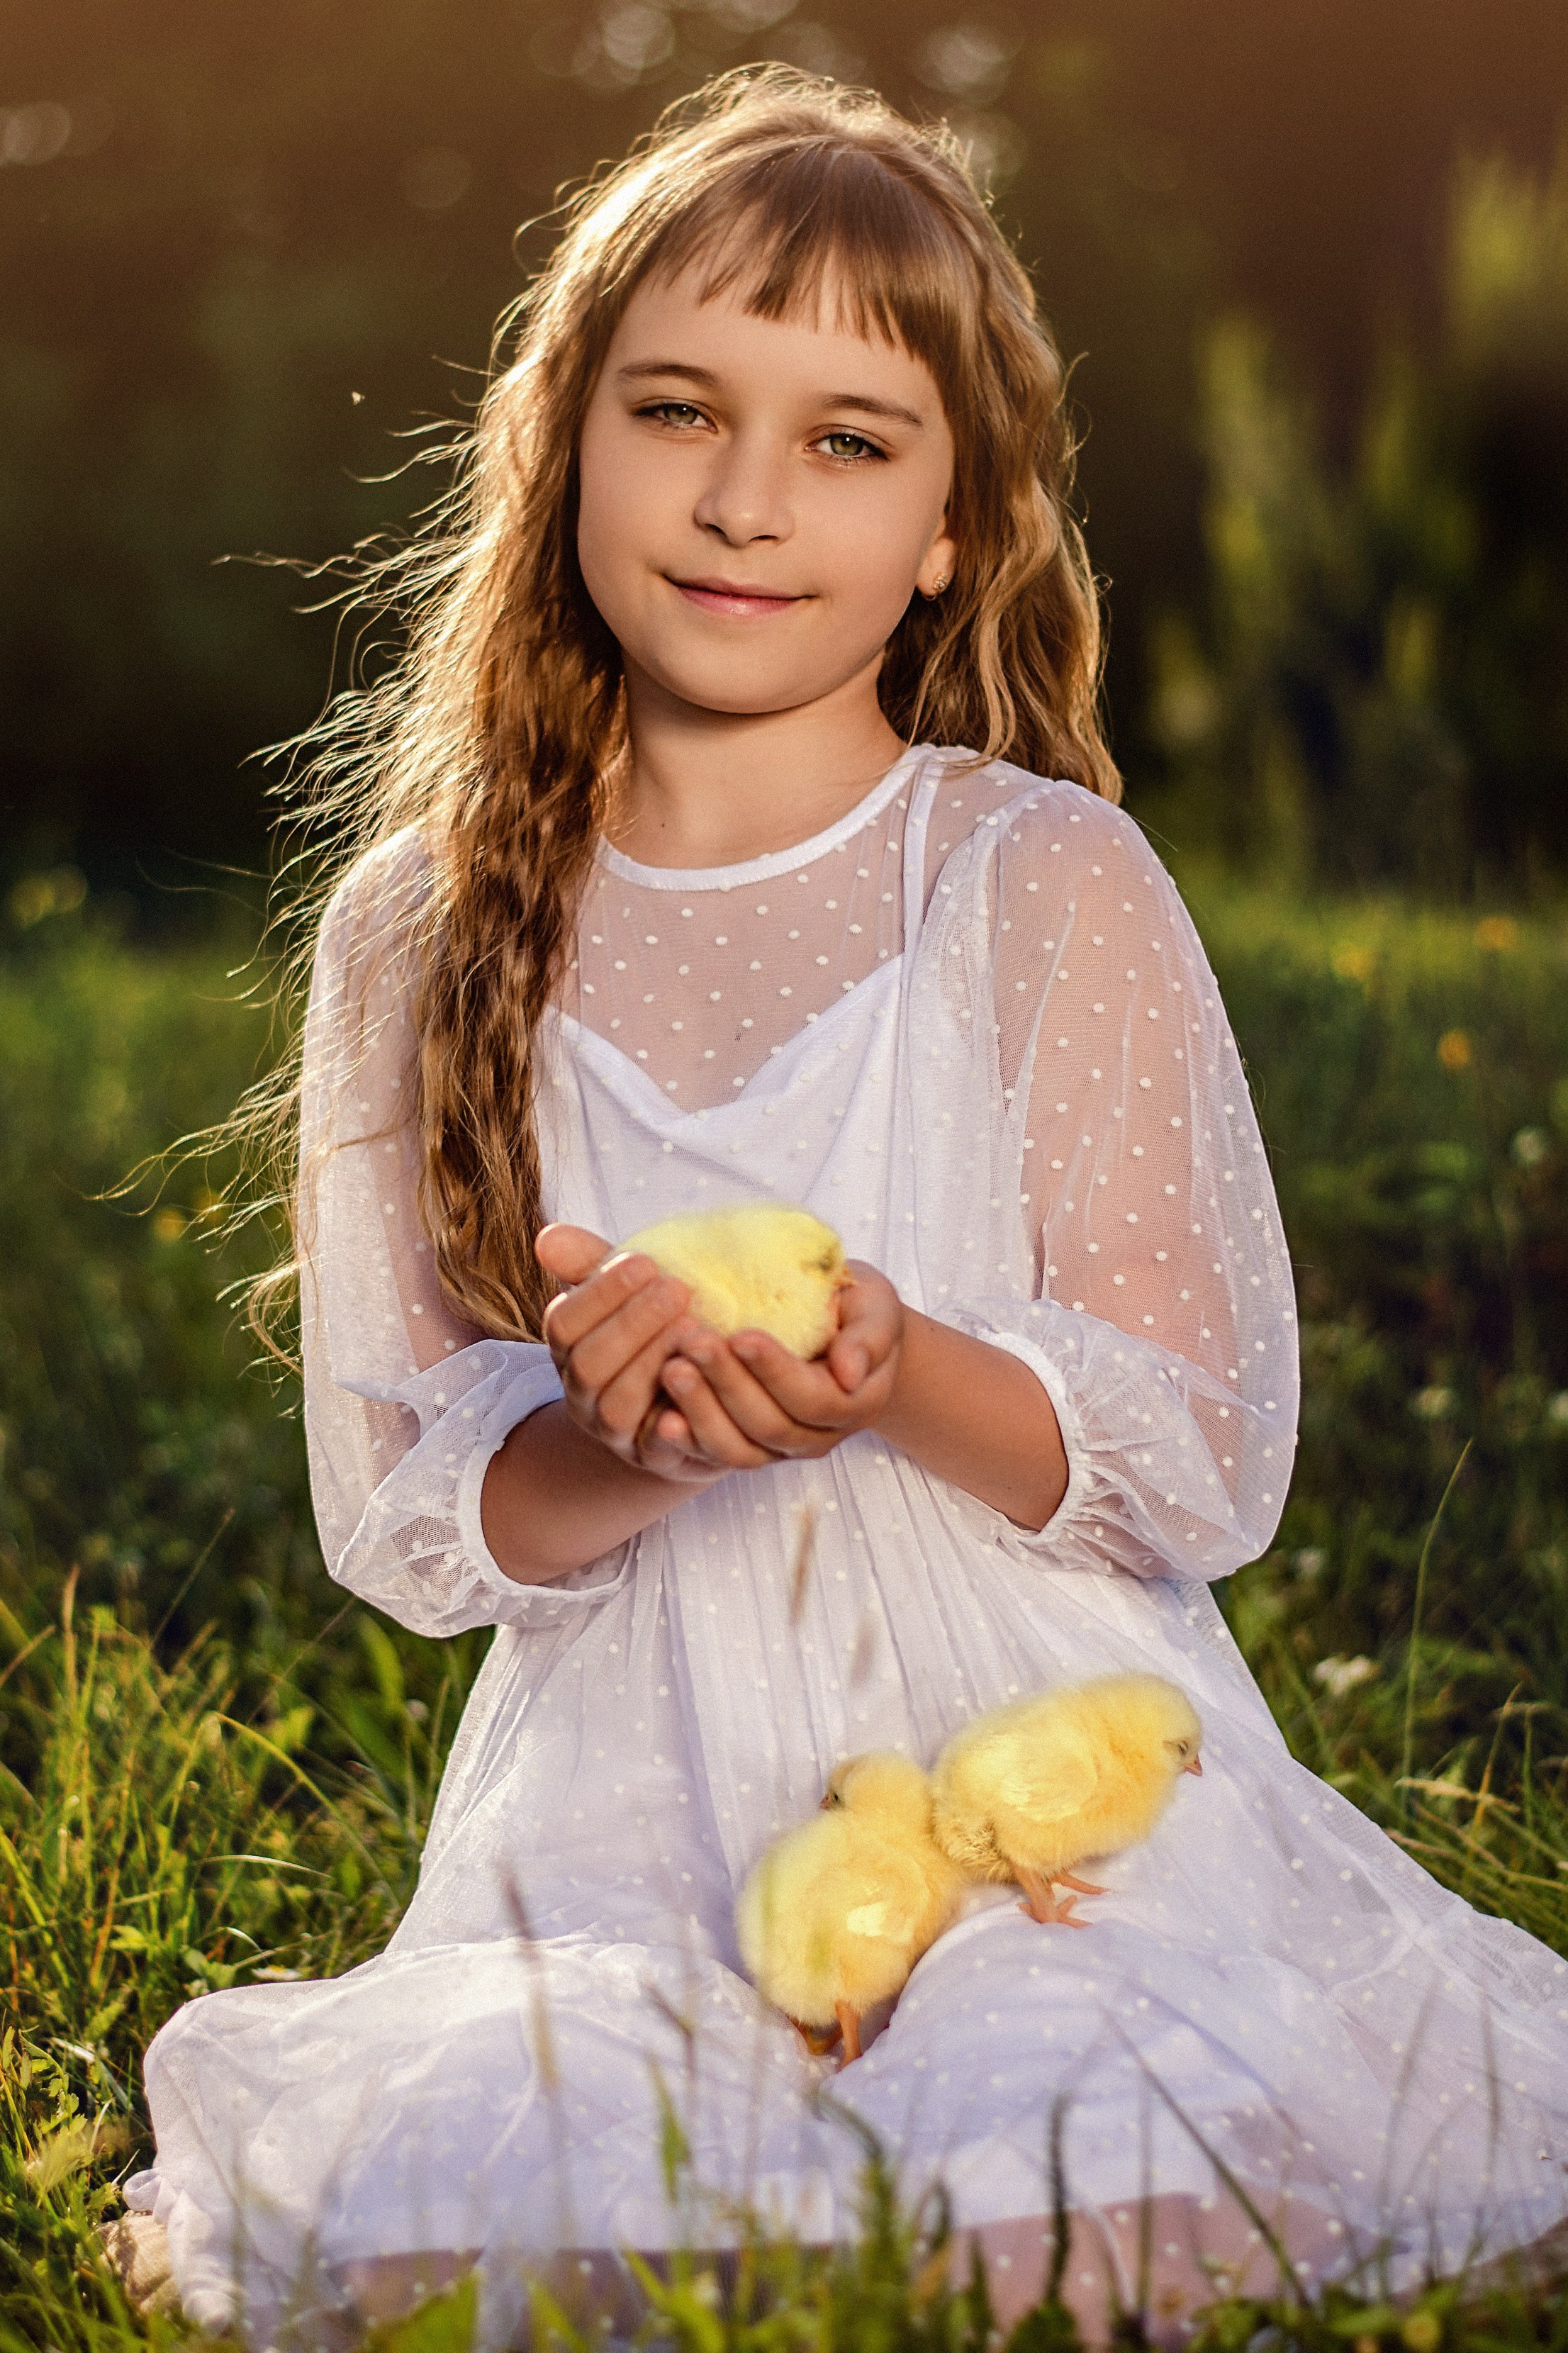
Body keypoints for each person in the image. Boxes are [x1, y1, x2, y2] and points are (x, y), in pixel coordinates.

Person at [124, 67, 1568, 2349]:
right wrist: (627, 1434)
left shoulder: (1030, 880)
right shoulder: (417, 928)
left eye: (847, 439)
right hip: (627, 1825)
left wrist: (891, 1370)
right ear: (558, 444)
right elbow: (405, 1522)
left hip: (1031, 1791)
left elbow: (1198, 1445)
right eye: (677, 407)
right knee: (456, 2230)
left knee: (1096, 2187)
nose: (739, 498)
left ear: (953, 534)